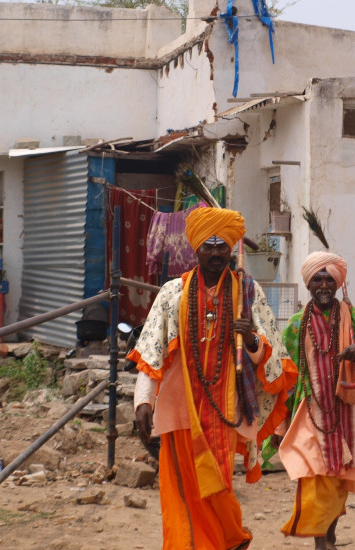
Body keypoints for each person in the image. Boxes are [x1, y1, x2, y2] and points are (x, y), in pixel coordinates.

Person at [127, 206, 296, 550]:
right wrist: (143, 401)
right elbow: (152, 353)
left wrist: (250, 340)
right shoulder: (172, 293)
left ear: (231, 249)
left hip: (224, 413)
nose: (217, 253)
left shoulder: (248, 293)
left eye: (223, 246)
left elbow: (272, 358)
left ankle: (230, 538)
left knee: (217, 486)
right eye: (209, 246)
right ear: (197, 249)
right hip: (180, 411)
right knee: (181, 492)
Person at [276, 251, 355, 550]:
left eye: (330, 279)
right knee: (315, 476)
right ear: (308, 284)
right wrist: (279, 422)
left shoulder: (353, 318)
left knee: (337, 479)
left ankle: (328, 536)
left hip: (345, 413)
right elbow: (284, 373)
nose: (324, 285)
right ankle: (321, 543)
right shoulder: (295, 326)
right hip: (310, 413)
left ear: (339, 283)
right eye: (318, 279)